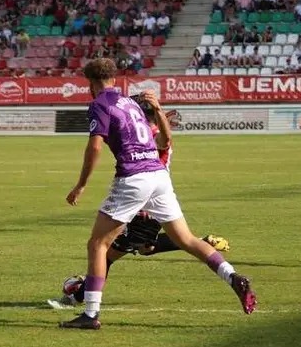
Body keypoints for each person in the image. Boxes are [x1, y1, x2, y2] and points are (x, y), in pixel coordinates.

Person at [60, 58, 256, 330]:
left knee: (97, 245)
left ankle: (90, 314)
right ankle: (233, 276)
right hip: (158, 175)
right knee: (186, 239)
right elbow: (162, 142)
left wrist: (81, 184)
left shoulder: (99, 105)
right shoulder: (131, 103)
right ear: (114, 80)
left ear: (91, 84)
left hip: (133, 177)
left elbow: (94, 147)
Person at [47, 93, 230, 309]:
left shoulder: (148, 136)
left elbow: (152, 152)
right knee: (145, 248)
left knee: (105, 252)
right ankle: (201, 241)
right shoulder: (152, 134)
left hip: (145, 204)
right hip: (151, 197)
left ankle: (78, 299)